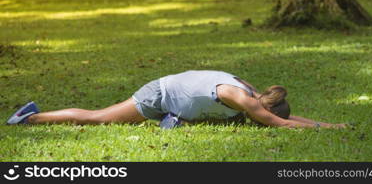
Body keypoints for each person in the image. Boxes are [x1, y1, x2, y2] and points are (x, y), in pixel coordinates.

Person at [6, 70, 346, 129]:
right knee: (98, 117)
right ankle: (31, 117)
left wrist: (331, 124)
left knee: (237, 120)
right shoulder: (238, 96)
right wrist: (330, 126)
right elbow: (280, 123)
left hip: (176, 95)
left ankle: (176, 119)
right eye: (263, 115)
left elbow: (283, 120)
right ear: (262, 106)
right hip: (158, 94)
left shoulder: (249, 91)